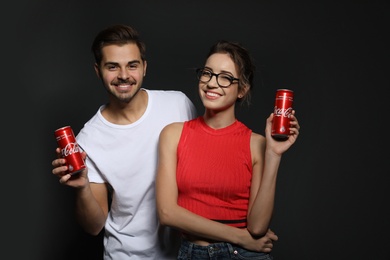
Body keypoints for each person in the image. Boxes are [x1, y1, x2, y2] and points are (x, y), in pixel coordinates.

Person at [51, 24, 198, 259]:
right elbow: (94, 226)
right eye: (112, 66)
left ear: (144, 67)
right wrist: (83, 188)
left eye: (132, 65)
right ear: (98, 70)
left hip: (188, 253)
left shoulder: (178, 104)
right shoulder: (88, 140)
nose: (124, 75)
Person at [156, 40, 300, 259]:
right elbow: (167, 213)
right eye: (207, 73)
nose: (212, 83)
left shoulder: (257, 143)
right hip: (198, 252)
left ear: (242, 89)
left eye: (225, 77)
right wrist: (238, 236)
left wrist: (273, 154)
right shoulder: (173, 134)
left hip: (242, 255)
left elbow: (258, 227)